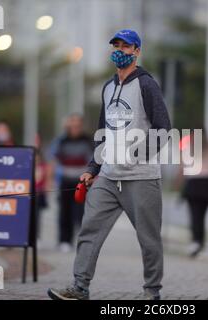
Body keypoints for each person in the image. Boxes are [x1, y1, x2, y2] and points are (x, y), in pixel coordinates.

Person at [47, 29, 171, 300]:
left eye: (126, 46)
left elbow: (163, 128)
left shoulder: (147, 84)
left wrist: (135, 154)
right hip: (108, 178)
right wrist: (93, 168)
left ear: (137, 51)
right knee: (89, 230)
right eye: (116, 45)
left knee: (148, 240)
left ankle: (152, 292)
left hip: (141, 177)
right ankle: (80, 288)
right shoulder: (108, 87)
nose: (120, 50)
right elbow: (103, 132)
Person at [48, 114, 94, 252]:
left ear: (81, 125)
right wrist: (50, 179)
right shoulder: (60, 141)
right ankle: (64, 241)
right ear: (68, 125)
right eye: (72, 124)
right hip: (64, 181)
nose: (75, 127)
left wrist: (92, 178)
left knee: (81, 214)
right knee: (64, 212)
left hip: (82, 182)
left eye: (77, 124)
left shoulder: (88, 141)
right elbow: (52, 160)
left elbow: (94, 160)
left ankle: (83, 242)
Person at [177, 129, 208, 258]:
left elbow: (182, 168)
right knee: (201, 216)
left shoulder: (189, 147)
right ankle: (200, 242)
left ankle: (196, 241)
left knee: (194, 215)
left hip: (193, 184)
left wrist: (178, 182)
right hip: (206, 184)